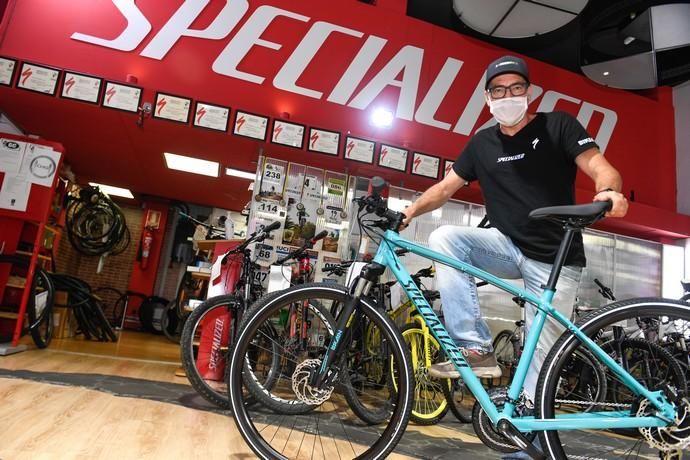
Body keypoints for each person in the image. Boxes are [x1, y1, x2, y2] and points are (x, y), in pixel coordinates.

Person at [401, 55, 628, 410]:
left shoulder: (559, 126)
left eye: (516, 88)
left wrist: (608, 191)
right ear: (487, 98)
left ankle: (530, 440)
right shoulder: (481, 144)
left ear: (530, 92)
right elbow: (445, 188)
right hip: (505, 246)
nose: (508, 96)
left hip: (556, 259)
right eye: (498, 90)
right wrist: (408, 212)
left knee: (541, 358)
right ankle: (476, 348)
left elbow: (601, 167)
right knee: (445, 239)